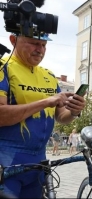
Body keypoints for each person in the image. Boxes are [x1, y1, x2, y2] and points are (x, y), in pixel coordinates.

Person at [0, 32, 86, 198]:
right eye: (33, 43)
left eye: (44, 45)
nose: (40, 50)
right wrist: (45, 102)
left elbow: (61, 116)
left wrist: (75, 111)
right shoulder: (3, 67)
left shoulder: (48, 75)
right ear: (13, 40)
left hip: (39, 160)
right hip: (6, 160)